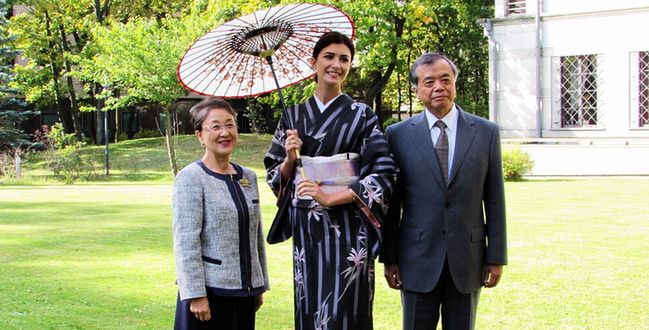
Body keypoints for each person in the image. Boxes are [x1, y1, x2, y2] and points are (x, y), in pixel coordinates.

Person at [264, 31, 397, 329]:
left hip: (349, 225)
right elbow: (275, 175)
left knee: (348, 309)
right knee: (309, 305)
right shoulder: (292, 116)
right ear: (314, 62)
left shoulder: (362, 115)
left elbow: (385, 172)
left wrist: (334, 196)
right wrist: (288, 157)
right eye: (329, 57)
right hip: (307, 229)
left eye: (344, 59)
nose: (336, 64)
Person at [380, 53, 507, 329]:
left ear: (455, 85)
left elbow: (495, 199)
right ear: (417, 90)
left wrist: (496, 256)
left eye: (445, 79)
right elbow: (392, 204)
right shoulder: (398, 135)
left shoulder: (486, 133)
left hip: (468, 261)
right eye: (429, 82)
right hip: (416, 260)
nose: (438, 87)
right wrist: (390, 258)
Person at [172, 98, 269, 330]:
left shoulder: (248, 177)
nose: (225, 132)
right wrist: (195, 294)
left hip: (245, 294)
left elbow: (255, 234)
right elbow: (186, 241)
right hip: (209, 296)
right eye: (215, 126)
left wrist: (259, 283)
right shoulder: (191, 178)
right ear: (200, 136)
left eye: (230, 124)